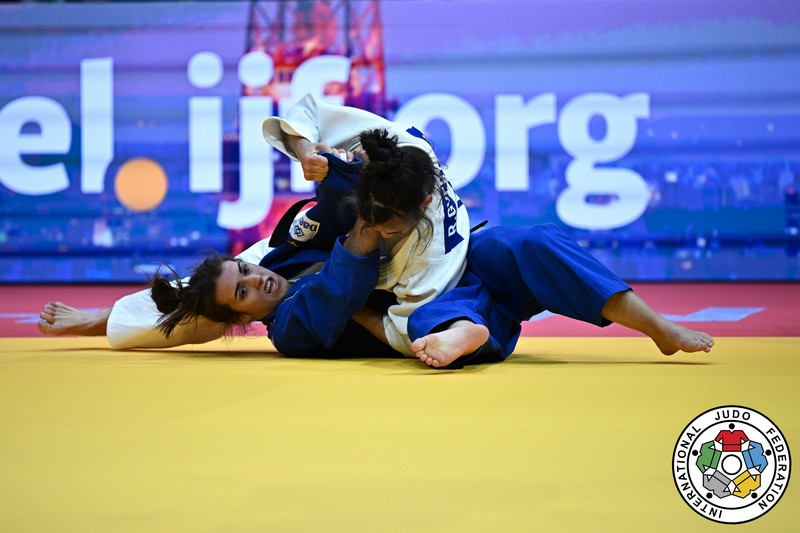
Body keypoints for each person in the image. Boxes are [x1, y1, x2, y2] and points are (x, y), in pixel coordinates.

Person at [39, 95, 471, 356]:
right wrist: (305, 153)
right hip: (303, 249)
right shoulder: (382, 156)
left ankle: (109, 318)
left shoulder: (426, 245)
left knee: (221, 295)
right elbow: (306, 111)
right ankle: (106, 318)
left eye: (248, 276)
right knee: (209, 296)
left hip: (333, 257)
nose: (254, 280)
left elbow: (404, 324)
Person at [405, 224, 714, 369]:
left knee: (535, 241)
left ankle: (660, 329)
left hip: (460, 253)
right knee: (438, 313)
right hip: (420, 295)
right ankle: (460, 331)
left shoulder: (386, 161)